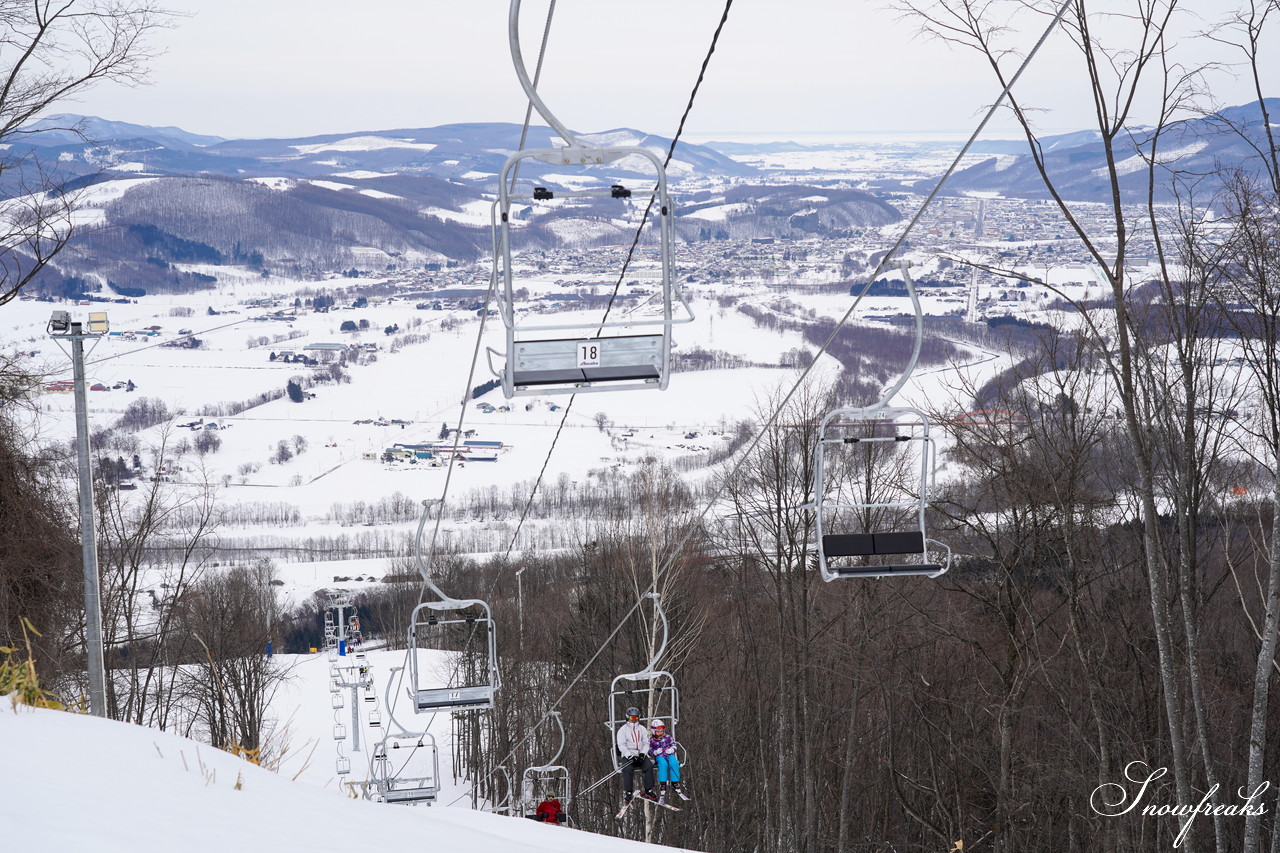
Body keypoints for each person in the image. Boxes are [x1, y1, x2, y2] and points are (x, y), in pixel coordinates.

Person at [615, 706, 657, 803]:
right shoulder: (622, 730)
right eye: (632, 718)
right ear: (627, 718)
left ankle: (648, 790)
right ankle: (628, 792)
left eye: (636, 718)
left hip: (640, 754)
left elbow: (646, 743)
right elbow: (621, 745)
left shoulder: (642, 729)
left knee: (649, 766)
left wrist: (643, 753)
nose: (634, 720)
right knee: (627, 769)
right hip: (629, 755)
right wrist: (629, 755)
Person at [648, 719, 687, 802]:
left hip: (669, 754)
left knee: (674, 763)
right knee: (663, 764)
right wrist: (655, 752)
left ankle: (675, 782)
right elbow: (649, 751)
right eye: (658, 732)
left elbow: (674, 745)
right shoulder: (651, 740)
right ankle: (663, 783)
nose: (660, 733)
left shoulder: (668, 737)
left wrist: (671, 750)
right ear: (654, 732)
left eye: (662, 731)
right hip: (660, 756)